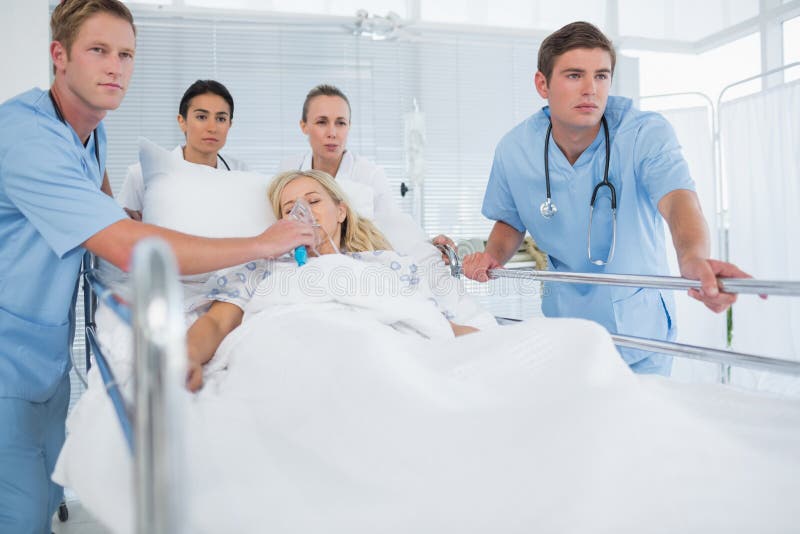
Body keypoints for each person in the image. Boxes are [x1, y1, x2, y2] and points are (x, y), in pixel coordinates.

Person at [0, 2, 313, 532]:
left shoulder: (90, 129)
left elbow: (103, 207)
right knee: (22, 513)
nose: (115, 68)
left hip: (44, 351)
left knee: (48, 493)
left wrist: (132, 217)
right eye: (98, 50)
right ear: (59, 56)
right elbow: (129, 249)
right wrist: (261, 244)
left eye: (126, 54)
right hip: (9, 356)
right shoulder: (26, 137)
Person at [462, 21, 751, 376]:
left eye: (601, 76)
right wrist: (492, 256)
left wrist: (693, 258)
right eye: (574, 75)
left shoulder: (644, 133)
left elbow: (678, 201)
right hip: (565, 326)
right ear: (542, 84)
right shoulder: (515, 149)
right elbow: (510, 219)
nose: (591, 89)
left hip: (638, 330)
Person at [186, 170, 478, 392]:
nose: (303, 212)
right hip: (290, 359)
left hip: (375, 360)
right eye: (289, 209)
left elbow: (431, 323)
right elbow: (217, 323)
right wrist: (187, 357)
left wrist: (493, 343)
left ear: (341, 212)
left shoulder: (385, 264)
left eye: (313, 201)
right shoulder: (262, 266)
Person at [279, 84, 455, 252]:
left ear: (349, 126)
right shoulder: (289, 170)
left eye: (341, 123)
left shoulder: (370, 175)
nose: (332, 133)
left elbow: (394, 229)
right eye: (322, 122)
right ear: (304, 126)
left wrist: (430, 247)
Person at [118, 79, 248, 220]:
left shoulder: (240, 172)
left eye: (221, 119)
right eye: (201, 117)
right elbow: (119, 227)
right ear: (182, 122)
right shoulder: (141, 174)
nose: (212, 128)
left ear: (230, 125)